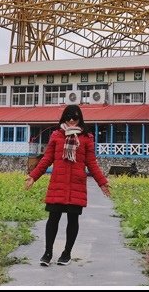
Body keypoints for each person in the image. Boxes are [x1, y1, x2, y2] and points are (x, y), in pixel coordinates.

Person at [24, 105, 110, 267]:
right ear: (64, 118)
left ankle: (66, 253)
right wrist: (33, 176)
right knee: (53, 218)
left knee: (72, 219)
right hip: (58, 183)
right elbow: (47, 159)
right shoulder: (57, 135)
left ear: (80, 119)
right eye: (68, 117)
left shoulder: (86, 137)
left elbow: (91, 163)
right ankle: (47, 252)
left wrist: (102, 183)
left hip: (76, 185)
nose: (71, 120)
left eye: (75, 117)